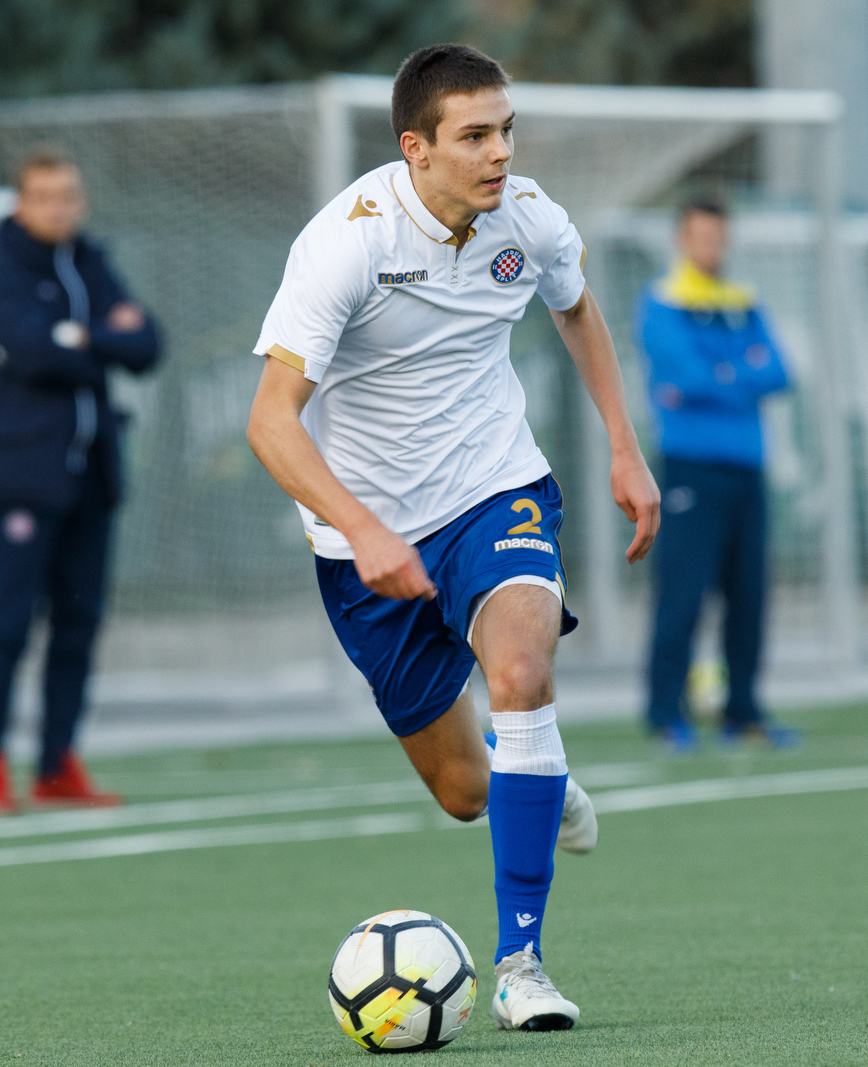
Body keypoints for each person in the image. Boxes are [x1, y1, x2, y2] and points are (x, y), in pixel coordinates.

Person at [246, 44, 659, 1033]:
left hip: (493, 490)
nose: (498, 153)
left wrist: (623, 447)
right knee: (465, 790)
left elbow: (577, 309)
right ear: (416, 149)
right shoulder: (345, 242)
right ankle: (540, 780)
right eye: (474, 135)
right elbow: (270, 419)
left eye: (505, 130)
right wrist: (362, 527)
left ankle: (522, 961)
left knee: (521, 671)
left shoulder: (528, 219)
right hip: (366, 546)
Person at [0, 149, 162, 814]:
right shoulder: (6, 260)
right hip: (25, 476)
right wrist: (101, 336)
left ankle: (57, 763)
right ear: (22, 202)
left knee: (78, 624)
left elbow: (147, 345)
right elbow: (32, 349)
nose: (57, 208)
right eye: (44, 197)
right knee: (7, 626)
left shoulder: (91, 259)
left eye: (67, 196)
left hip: (95, 478)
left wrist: (76, 336)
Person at [636, 199, 795, 751]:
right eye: (701, 236)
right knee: (682, 595)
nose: (711, 247)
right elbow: (686, 375)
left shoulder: (742, 301)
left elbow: (778, 369)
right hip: (690, 468)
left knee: (749, 598)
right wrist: (735, 374)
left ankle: (743, 711)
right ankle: (665, 713)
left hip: (747, 468)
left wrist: (721, 377)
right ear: (683, 238)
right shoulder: (662, 301)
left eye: (719, 236)